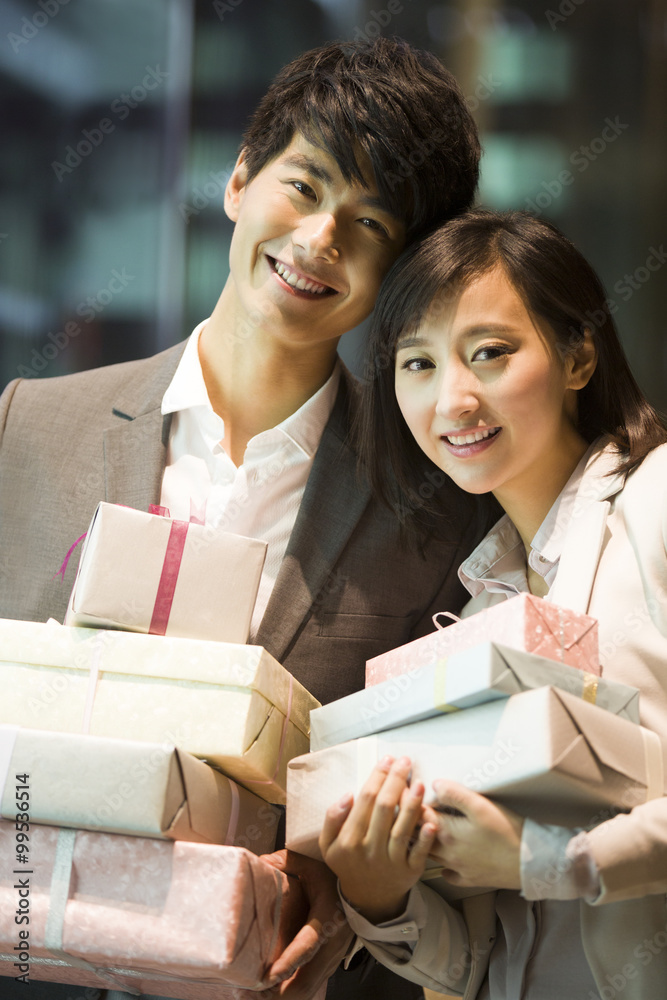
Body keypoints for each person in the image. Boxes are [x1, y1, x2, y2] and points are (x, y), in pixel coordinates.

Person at [0, 37, 493, 1000]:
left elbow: (427, 802)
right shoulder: (25, 427)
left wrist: (343, 885)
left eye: (370, 222)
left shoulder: (434, 521)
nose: (318, 240)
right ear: (237, 179)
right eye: (303, 187)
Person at [319, 208, 667, 999]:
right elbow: (476, 960)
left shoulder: (657, 501)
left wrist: (549, 860)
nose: (454, 398)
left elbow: (532, 867)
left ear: (578, 354)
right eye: (418, 364)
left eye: (490, 354)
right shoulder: (474, 617)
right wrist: (381, 896)